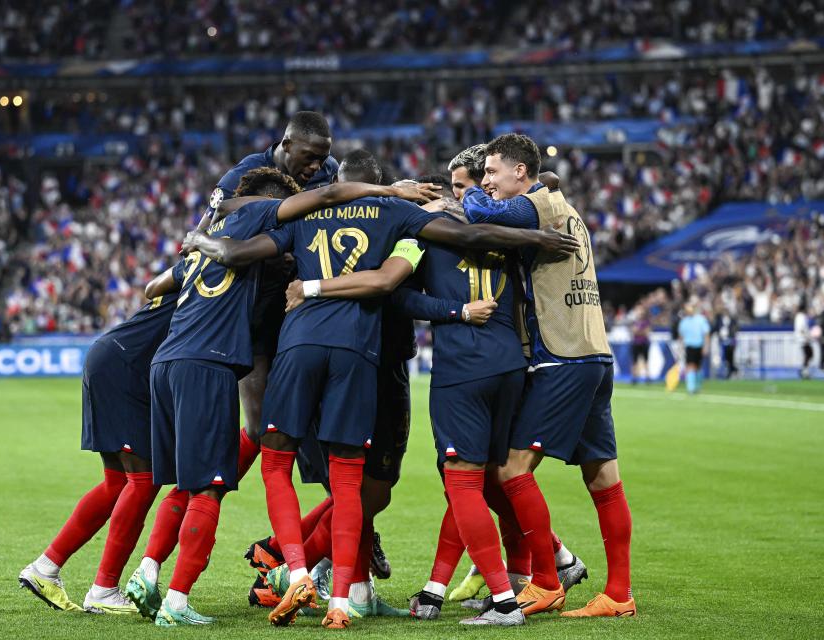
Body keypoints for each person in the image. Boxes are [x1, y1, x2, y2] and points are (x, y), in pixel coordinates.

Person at [183, 150, 580, 628]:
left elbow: (239, 249)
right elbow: (468, 236)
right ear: (380, 183)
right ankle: (343, 600)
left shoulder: (306, 211)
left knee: (277, 461)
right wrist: (538, 237)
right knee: (358, 480)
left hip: (300, 346)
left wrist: (202, 237)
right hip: (365, 354)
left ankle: (294, 567)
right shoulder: (396, 212)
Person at [124, 167, 440, 626]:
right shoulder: (363, 220)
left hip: (180, 360)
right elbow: (385, 277)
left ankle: (161, 569)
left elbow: (157, 286)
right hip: (273, 359)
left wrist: (202, 244)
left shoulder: (220, 244)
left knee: (202, 479)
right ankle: (186, 599)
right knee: (238, 485)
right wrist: (403, 196)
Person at [467, 133, 636, 619]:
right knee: (603, 478)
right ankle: (619, 594)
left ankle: (545, 579)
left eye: (493, 172)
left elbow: (481, 214)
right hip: (594, 355)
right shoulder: (561, 206)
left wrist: (472, 195)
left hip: (564, 358)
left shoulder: (535, 205)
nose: (487, 182)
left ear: (521, 172)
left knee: (510, 469)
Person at [18, 264, 185, 614]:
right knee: (143, 479)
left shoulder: (189, 268)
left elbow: (151, 290)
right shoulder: (214, 272)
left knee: (116, 483)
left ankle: (45, 568)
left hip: (109, 355)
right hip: (125, 368)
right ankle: (104, 588)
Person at [201, 111, 340, 489]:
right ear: (286, 144)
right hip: (255, 311)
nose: (316, 166)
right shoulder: (242, 178)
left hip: (307, 307)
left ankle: (347, 534)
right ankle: (206, 499)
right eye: (308, 157)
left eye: (322, 158)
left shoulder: (330, 171)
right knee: (261, 427)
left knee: (325, 426)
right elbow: (205, 234)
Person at [678, 302, 711, 394]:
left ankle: (697, 386)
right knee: (690, 366)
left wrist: (706, 346)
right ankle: (691, 388)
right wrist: (680, 347)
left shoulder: (701, 319)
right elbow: (681, 336)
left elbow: (706, 334)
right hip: (689, 346)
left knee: (698, 367)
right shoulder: (684, 321)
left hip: (699, 345)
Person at [714, 307, 739, 379]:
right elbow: (716, 328)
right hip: (722, 341)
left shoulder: (732, 320)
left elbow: (736, 328)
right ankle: (729, 371)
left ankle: (731, 370)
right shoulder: (719, 320)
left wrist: (733, 338)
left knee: (730, 358)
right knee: (724, 358)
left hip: (730, 341)